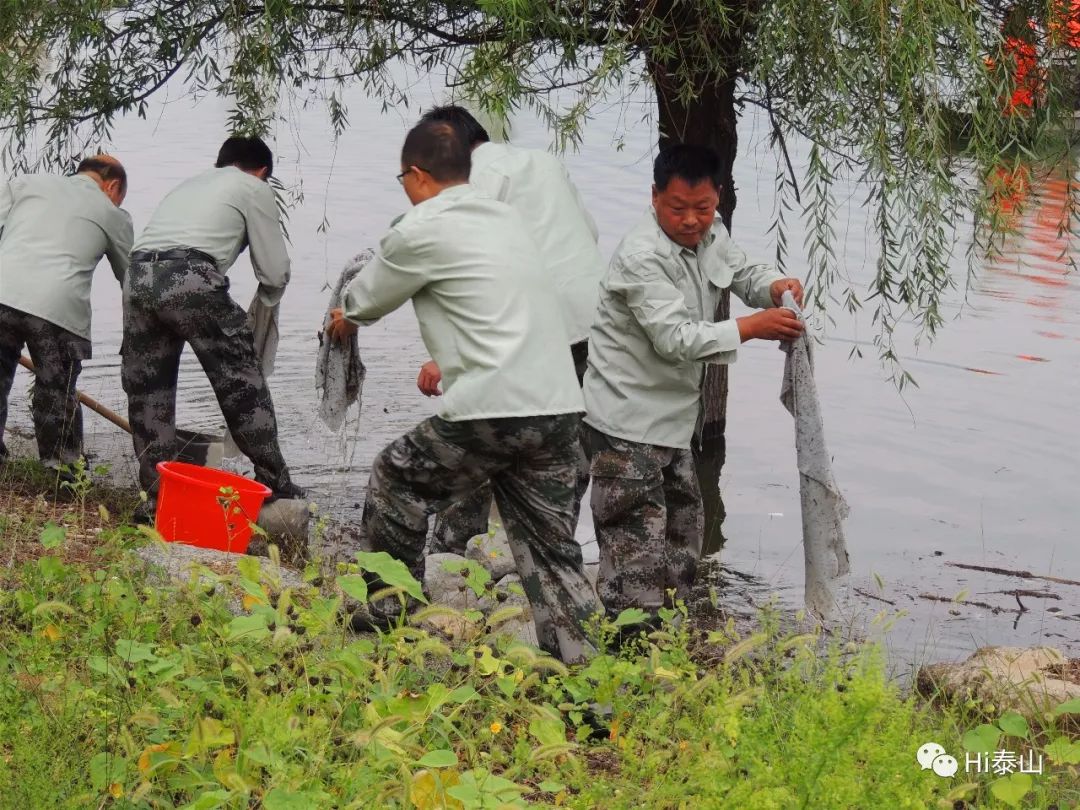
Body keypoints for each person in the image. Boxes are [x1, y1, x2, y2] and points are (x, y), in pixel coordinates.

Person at [326, 119, 601, 663]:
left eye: (402, 176)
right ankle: (591, 684)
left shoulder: (419, 225)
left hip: (494, 404)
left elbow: (367, 300)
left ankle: (389, 615)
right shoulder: (507, 219)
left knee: (394, 477)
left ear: (418, 175)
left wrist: (344, 316)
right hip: (560, 406)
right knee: (551, 552)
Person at [582, 143, 804, 627]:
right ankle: (628, 665)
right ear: (654, 197)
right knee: (633, 563)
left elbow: (738, 268)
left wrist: (773, 286)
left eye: (702, 208)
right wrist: (751, 326)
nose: (690, 220)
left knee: (683, 548)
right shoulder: (641, 257)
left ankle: (678, 653)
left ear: (717, 199)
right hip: (626, 424)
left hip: (673, 424)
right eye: (677, 208)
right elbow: (674, 338)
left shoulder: (710, 231)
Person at [414, 105, 605, 555]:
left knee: (478, 428)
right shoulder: (544, 162)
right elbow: (588, 233)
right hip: (593, 315)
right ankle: (550, 547)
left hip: (531, 324)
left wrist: (448, 355)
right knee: (566, 440)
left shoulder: (471, 181)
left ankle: (453, 551)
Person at [122, 135, 302, 518]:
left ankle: (156, 500)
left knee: (148, 392)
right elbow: (274, 270)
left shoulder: (189, 184)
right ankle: (277, 484)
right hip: (190, 275)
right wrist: (263, 312)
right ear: (262, 171)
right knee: (242, 383)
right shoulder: (253, 186)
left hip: (137, 276)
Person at [0, 155, 133, 468]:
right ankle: (64, 469)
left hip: (2, 291)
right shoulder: (112, 213)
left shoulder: (26, 183)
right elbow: (132, 279)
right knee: (56, 390)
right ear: (112, 186)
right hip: (57, 308)